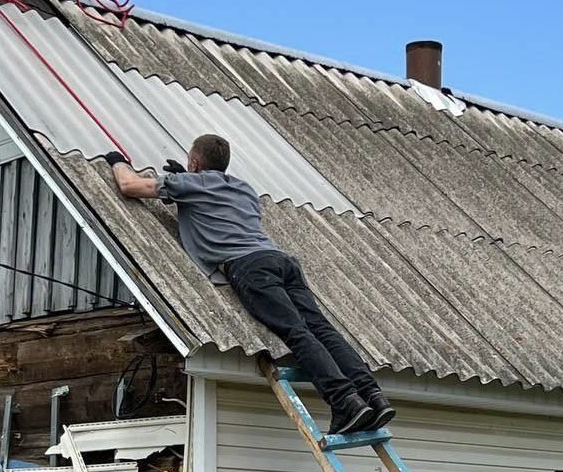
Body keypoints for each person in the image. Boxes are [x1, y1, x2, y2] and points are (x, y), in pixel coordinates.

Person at [103, 134, 395, 435]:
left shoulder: (190, 184)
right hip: (281, 261)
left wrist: (117, 162)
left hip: (249, 267)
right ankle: (372, 395)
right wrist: (184, 181)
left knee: (297, 332)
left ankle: (345, 401)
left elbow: (130, 186)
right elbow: (215, 206)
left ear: (194, 162)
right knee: (322, 329)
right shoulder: (244, 190)